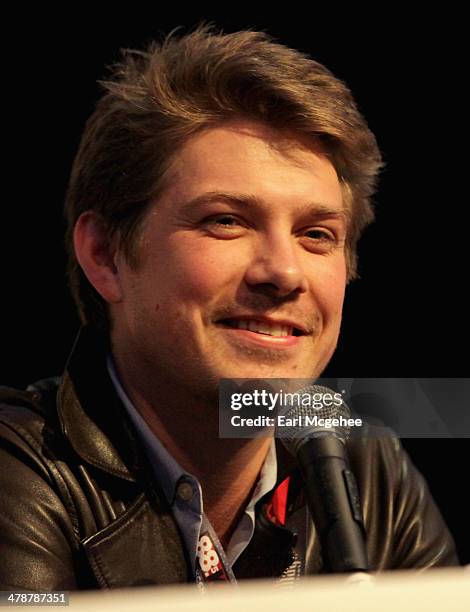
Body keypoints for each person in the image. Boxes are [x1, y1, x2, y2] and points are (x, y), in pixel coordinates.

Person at [0, 24, 458, 591]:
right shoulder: (17, 473)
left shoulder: (366, 465)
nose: (284, 273)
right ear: (105, 255)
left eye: (316, 234)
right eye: (226, 221)